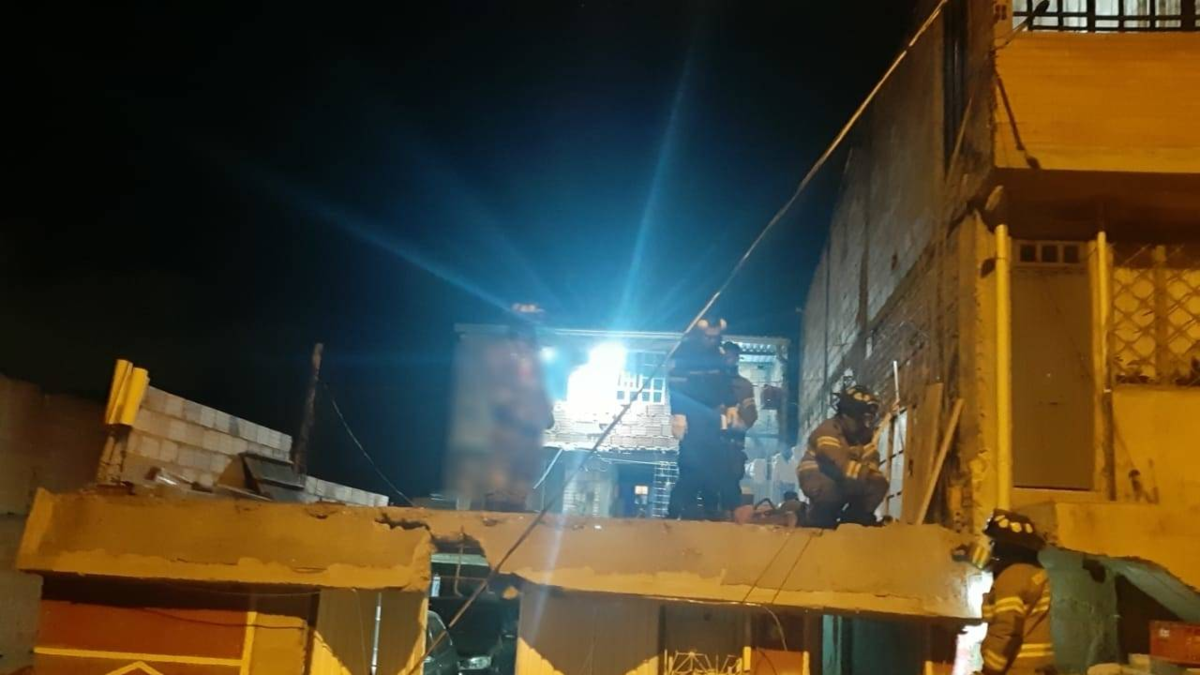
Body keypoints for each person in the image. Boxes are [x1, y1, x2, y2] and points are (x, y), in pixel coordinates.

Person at [482, 303, 554, 512]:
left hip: (526, 428)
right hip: (508, 425)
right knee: (502, 468)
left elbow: (539, 388)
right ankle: (498, 504)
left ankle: (516, 504)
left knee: (523, 470)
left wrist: (543, 412)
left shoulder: (535, 357)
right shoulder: (502, 354)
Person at [974, 510, 1055, 675]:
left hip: (1018, 668)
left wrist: (990, 670)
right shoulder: (1036, 574)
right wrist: (970, 553)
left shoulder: (1011, 579)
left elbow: (1006, 630)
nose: (992, 549)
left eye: (994, 543)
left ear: (1003, 548)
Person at [797, 384, 888, 528]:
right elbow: (836, 462)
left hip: (844, 479)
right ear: (846, 415)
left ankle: (854, 520)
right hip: (818, 478)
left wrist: (873, 479)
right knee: (832, 490)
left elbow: (871, 460)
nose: (864, 424)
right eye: (860, 419)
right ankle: (817, 518)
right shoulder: (827, 430)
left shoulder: (862, 436)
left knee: (878, 483)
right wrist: (866, 475)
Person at [667, 317, 728, 520]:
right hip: (691, 414)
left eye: (715, 337)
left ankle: (711, 507)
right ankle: (678, 509)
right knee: (691, 463)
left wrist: (728, 406)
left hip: (712, 415)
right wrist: (678, 414)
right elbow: (675, 385)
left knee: (713, 463)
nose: (711, 341)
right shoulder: (684, 353)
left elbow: (723, 383)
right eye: (708, 337)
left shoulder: (718, 355)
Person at [718, 341, 757, 514]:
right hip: (710, 442)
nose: (729, 359)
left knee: (732, 482)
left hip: (733, 444)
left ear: (737, 358)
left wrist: (737, 422)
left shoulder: (744, 386)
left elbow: (751, 415)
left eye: (733, 356)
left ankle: (730, 517)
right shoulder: (710, 382)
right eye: (726, 355)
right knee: (706, 481)